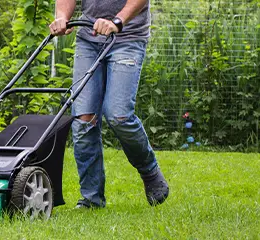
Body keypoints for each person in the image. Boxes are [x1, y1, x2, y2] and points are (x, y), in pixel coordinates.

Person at [48, 0, 169, 208]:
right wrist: (62, 16)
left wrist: (118, 21)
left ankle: (149, 170)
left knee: (119, 115)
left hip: (127, 37)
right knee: (83, 119)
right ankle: (91, 198)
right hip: (89, 38)